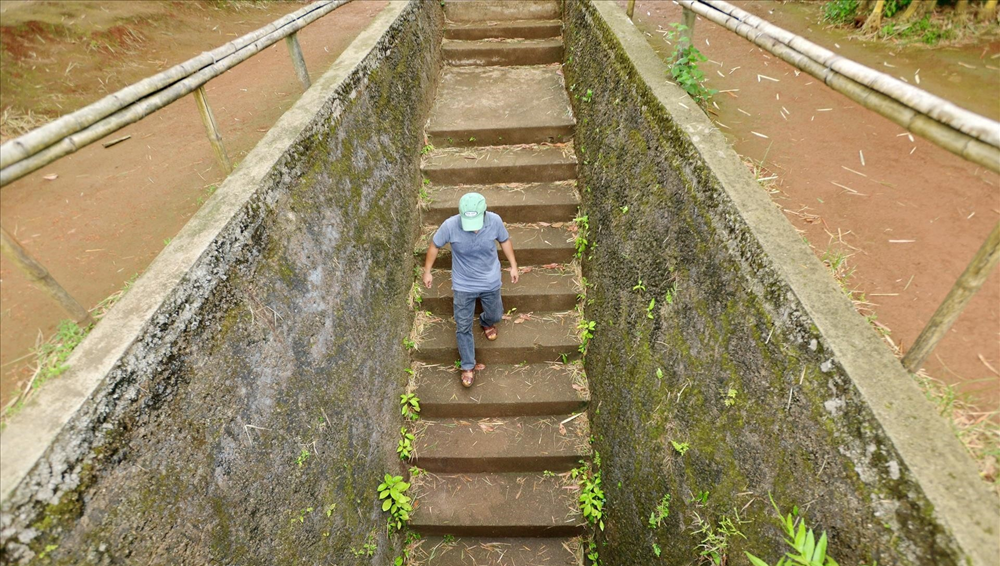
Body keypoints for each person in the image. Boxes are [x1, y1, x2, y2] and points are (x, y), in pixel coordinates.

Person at [422, 192, 519, 387]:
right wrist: (427, 271)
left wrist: (513, 265)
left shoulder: (494, 221)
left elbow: (505, 240)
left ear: (484, 214)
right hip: (463, 285)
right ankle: (468, 365)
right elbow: (434, 246)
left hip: (490, 280)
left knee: (496, 314)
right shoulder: (450, 225)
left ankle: (486, 321)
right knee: (463, 325)